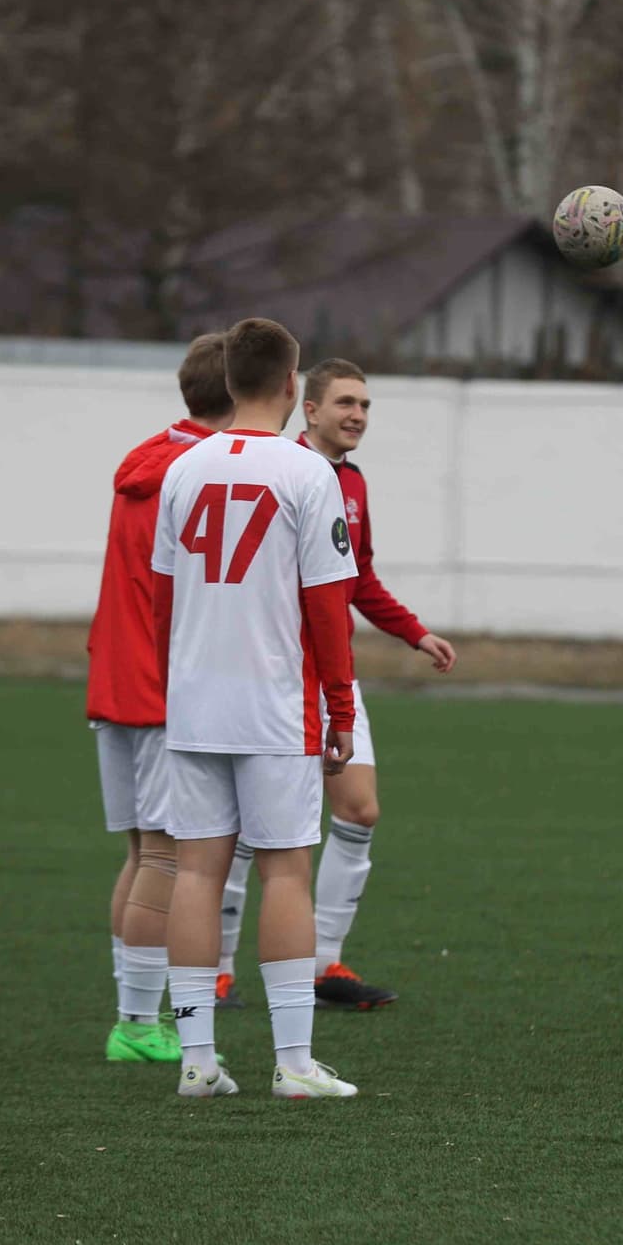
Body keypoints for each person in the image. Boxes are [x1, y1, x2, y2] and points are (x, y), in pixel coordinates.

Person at [151, 317, 360, 1100]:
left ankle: (198, 1063)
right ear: (289, 384)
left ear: (230, 379)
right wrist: (340, 708)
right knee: (285, 875)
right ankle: (295, 1064)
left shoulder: (184, 468)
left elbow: (163, 600)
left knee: (198, 875)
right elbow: (327, 609)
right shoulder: (310, 476)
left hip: (196, 698)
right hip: (273, 703)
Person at [216, 358, 457, 1011]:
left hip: (330, 675)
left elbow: (358, 578)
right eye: (346, 402)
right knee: (243, 827)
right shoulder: (282, 472)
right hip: (273, 678)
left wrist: (414, 632)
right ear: (309, 408)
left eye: (366, 405)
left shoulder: (351, 482)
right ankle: (216, 970)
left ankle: (327, 966)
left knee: (358, 810)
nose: (358, 415)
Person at [87, 334, 233, 1063]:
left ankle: (133, 1016)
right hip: (162, 688)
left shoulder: (146, 456)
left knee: (144, 855)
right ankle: (137, 1025)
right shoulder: (204, 470)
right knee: (168, 859)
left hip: (114, 679)